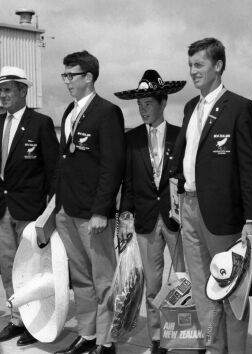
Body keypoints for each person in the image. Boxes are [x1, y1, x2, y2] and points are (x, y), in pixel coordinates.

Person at [170, 37, 252, 354]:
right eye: (190, 65)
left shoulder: (239, 109)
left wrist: (251, 220)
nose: (193, 71)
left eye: (199, 64)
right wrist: (177, 188)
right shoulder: (189, 107)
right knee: (201, 289)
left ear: (218, 65)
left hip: (223, 216)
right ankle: (213, 347)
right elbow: (185, 156)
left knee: (231, 291)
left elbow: (250, 170)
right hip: (189, 207)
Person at [54, 51, 125, 354]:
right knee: (80, 279)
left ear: (89, 77)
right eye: (64, 75)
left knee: (103, 280)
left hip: (92, 215)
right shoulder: (69, 111)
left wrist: (101, 210)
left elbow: (112, 165)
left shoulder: (107, 112)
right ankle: (87, 334)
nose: (67, 80)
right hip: (67, 210)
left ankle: (107, 342)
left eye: (72, 74)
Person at [115, 69, 187, 354]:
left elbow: (186, 177)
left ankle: (185, 334)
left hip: (175, 219)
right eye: (140, 104)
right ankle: (157, 338)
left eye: (148, 104)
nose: (143, 110)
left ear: (163, 102)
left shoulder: (179, 136)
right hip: (145, 220)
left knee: (184, 279)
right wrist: (124, 217)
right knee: (153, 284)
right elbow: (128, 183)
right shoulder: (131, 139)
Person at [0, 66, 59, 347]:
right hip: (2, 208)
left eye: (8, 89)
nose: (3, 95)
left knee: (31, 270)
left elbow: (53, 170)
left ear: (24, 91)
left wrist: (49, 211)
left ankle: (36, 322)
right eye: (0, 90)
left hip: (30, 209)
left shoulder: (41, 123)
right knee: (8, 266)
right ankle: (16, 319)